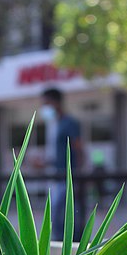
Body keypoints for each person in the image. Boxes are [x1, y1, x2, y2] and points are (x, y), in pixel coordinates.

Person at [40, 87, 83, 240]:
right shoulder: (54, 124)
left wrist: (78, 178)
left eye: (46, 103)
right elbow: (58, 155)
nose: (44, 107)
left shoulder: (69, 123)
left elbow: (78, 149)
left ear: (56, 102)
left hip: (68, 178)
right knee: (56, 217)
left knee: (66, 217)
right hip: (57, 177)